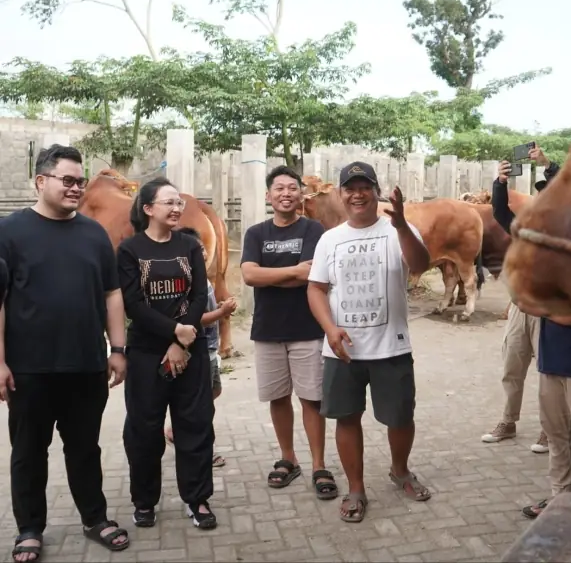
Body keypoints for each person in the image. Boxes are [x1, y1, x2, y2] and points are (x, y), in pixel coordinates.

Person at [0, 144, 130, 562]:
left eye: (80, 180)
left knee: (85, 449)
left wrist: (118, 348)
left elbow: (112, 293)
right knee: (28, 453)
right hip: (28, 369)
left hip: (86, 365)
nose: (77, 188)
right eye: (68, 180)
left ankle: (95, 518)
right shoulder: (9, 232)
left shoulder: (93, 232)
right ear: (41, 181)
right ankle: (29, 529)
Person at [489, 152, 571, 519]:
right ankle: (562, 503)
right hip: (551, 361)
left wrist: (539, 307)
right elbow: (503, 216)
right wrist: (500, 183)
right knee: (559, 439)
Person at [307, 161, 431, 523]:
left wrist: (403, 224)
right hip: (342, 351)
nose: (357, 193)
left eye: (365, 187)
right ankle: (356, 488)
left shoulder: (398, 230)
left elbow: (420, 264)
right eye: (350, 187)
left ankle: (400, 471)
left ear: (376, 192)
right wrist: (330, 329)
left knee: (400, 417)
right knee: (346, 418)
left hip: (391, 345)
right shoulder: (330, 238)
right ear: (341, 194)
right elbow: (315, 289)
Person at [117, 177, 217, 530]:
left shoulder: (189, 246)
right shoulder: (130, 251)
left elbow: (198, 294)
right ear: (148, 209)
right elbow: (133, 303)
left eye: (179, 203)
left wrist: (182, 342)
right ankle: (145, 501)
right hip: (145, 352)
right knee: (144, 429)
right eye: (169, 203)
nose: (177, 209)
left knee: (195, 425)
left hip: (190, 350)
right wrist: (173, 331)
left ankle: (198, 499)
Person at [240, 166, 337, 498]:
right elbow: (249, 276)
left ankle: (319, 465)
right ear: (269, 196)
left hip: (307, 328)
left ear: (301, 195)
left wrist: (274, 274)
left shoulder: (315, 229)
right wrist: (294, 269)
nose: (285, 193)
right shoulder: (255, 233)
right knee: (278, 398)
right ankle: (288, 458)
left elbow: (313, 277)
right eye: (278, 188)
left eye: (292, 188)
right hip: (267, 330)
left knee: (312, 398)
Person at [482, 146, 561, 454]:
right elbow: (501, 212)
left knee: (549, 373)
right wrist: (500, 183)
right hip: (520, 309)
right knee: (512, 367)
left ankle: (548, 429)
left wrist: (547, 164)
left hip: (549, 312)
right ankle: (508, 421)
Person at [165, 226, 238, 469]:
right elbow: (193, 320)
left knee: (212, 393)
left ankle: (177, 431)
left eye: (204, 249)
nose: (205, 254)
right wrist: (222, 312)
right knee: (201, 403)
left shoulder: (203, 277)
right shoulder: (185, 282)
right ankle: (203, 449)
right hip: (198, 349)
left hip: (211, 348)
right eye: (197, 250)